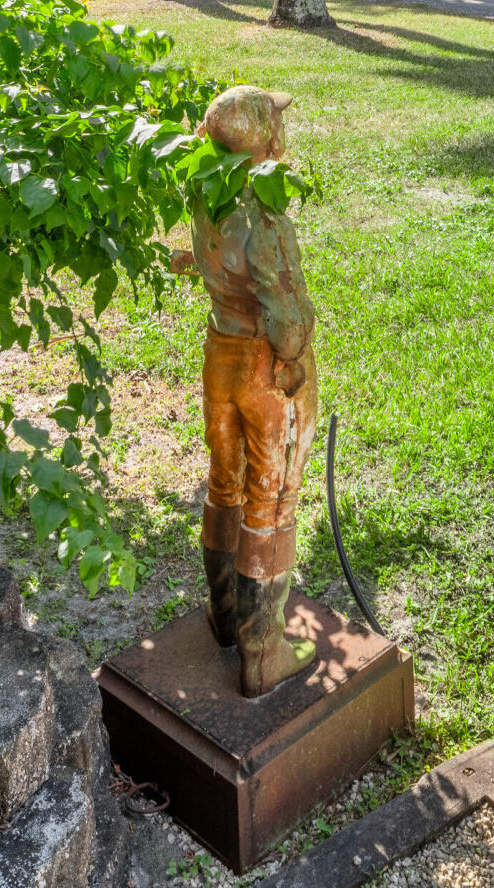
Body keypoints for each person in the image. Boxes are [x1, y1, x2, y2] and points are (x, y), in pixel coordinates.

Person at [173, 85, 319, 695]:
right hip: (264, 366)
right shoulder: (265, 219)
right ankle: (263, 651)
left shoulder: (206, 196)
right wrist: (295, 361)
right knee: (272, 499)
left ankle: (224, 612)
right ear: (267, 141)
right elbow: (286, 321)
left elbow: (204, 264)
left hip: (219, 354)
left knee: (223, 480)